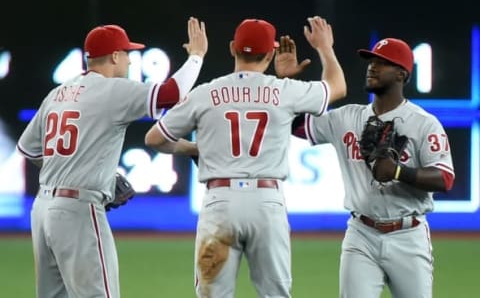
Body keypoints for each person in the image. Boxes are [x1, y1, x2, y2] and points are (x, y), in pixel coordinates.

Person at [144, 16, 347, 298]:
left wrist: (191, 149)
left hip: (220, 202)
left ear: (231, 48)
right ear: (272, 52)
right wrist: (325, 48)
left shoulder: (206, 93)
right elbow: (337, 87)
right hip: (267, 202)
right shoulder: (283, 90)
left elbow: (155, 138)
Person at [16, 17, 208, 298]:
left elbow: (29, 150)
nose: (130, 62)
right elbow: (172, 94)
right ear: (115, 56)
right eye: (127, 54)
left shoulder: (58, 93)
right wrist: (196, 56)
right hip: (77, 210)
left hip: (43, 209)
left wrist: (70, 173)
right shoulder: (111, 90)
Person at [299, 38, 455, 297]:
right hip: (361, 233)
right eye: (371, 62)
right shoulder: (346, 117)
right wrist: (289, 86)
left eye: (383, 63)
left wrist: (397, 172)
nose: (372, 67)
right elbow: (296, 126)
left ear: (402, 74)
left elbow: (445, 178)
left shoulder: (423, 123)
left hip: (408, 235)